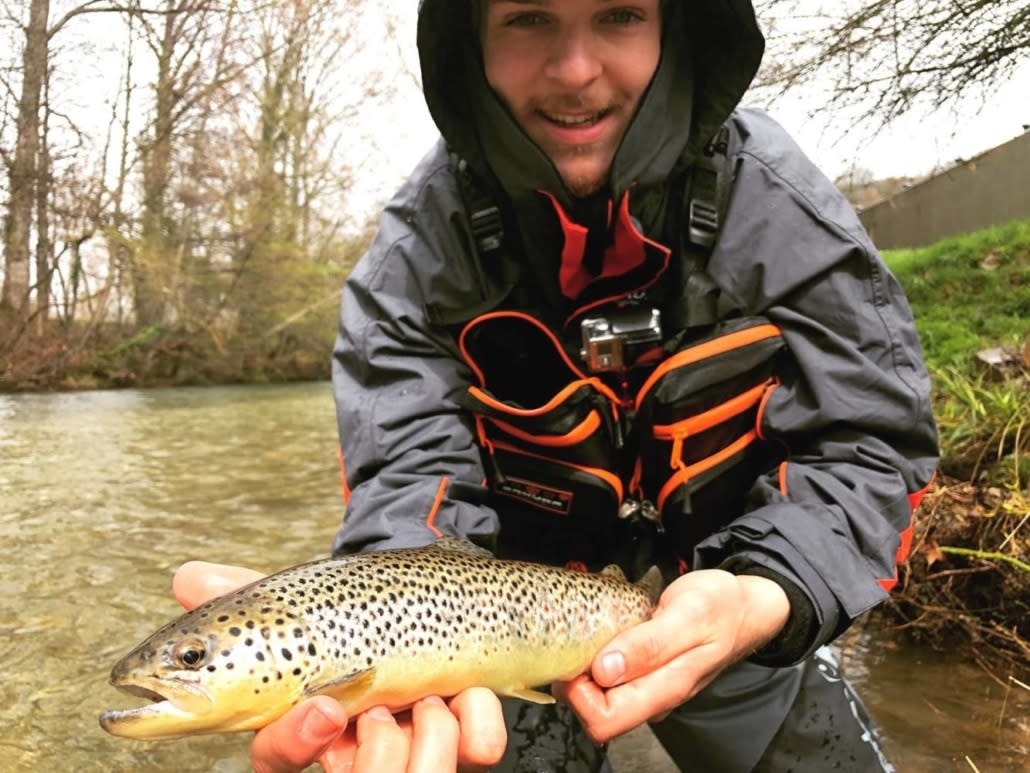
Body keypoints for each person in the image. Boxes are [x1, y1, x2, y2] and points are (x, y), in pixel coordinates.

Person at [176, 0, 939, 770]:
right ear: (470, 40)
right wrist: (386, 645)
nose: (575, 71)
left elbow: (870, 443)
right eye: (529, 18)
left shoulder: (775, 204)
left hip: (740, 583)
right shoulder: (415, 257)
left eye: (620, 14)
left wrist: (764, 594)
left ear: (675, 27)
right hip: (504, 624)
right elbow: (407, 482)